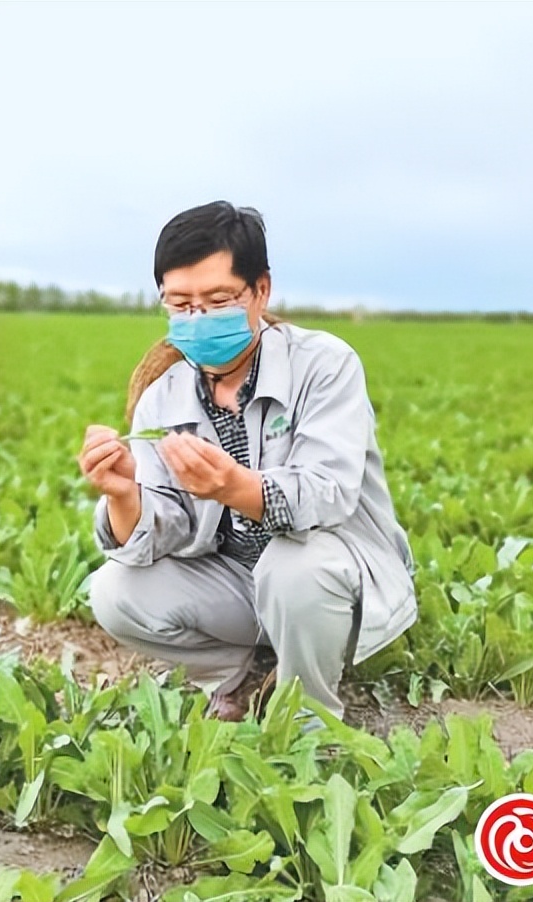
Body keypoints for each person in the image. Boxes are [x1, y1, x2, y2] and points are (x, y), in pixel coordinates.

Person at [76, 201, 416, 722]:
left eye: (216, 300)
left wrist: (236, 487)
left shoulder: (324, 365)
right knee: (114, 589)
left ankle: (309, 717)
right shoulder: (162, 398)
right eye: (180, 304)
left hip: (330, 579)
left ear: (261, 290)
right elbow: (161, 527)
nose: (197, 319)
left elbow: (328, 493)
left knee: (291, 566)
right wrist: (125, 494)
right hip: (239, 585)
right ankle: (244, 676)